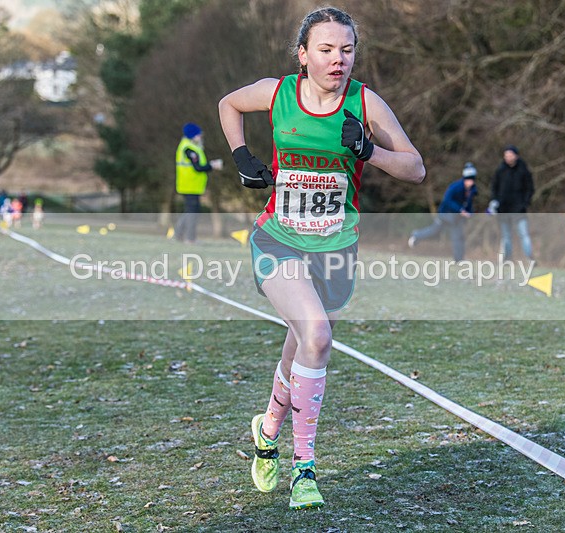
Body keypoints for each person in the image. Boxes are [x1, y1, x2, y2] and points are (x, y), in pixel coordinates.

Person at [218, 7, 425, 510]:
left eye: (347, 50)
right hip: (279, 238)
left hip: (335, 248)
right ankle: (304, 468)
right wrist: (242, 156)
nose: (339, 60)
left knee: (301, 347)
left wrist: (369, 151)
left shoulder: (364, 103)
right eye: (327, 50)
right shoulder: (277, 93)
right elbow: (229, 104)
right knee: (316, 335)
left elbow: (415, 168)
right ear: (303, 54)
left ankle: (267, 430)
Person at [408, 162, 477, 260]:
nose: (470, 182)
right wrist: (460, 210)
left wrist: (470, 212)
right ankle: (416, 235)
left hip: (456, 218)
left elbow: (469, 204)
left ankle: (459, 259)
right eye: (468, 179)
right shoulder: (455, 187)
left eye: (472, 179)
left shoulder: (473, 190)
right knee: (434, 232)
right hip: (445, 214)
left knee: (458, 236)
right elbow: (447, 200)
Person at [172, 123, 223, 243]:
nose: (200, 136)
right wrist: (213, 165)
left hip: (191, 185)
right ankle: (190, 238)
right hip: (189, 185)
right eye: (198, 134)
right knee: (193, 212)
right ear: (192, 135)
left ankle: (177, 235)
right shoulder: (189, 149)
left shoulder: (191, 147)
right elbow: (198, 167)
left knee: (189, 211)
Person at [488, 145, 535, 263]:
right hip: (503, 209)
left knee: (524, 234)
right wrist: (494, 202)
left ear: (516, 156)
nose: (508, 157)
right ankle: (507, 259)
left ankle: (530, 258)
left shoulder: (523, 170)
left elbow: (530, 189)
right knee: (506, 236)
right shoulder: (500, 170)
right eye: (506, 155)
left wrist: (525, 203)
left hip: (519, 210)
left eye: (510, 155)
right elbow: (494, 188)